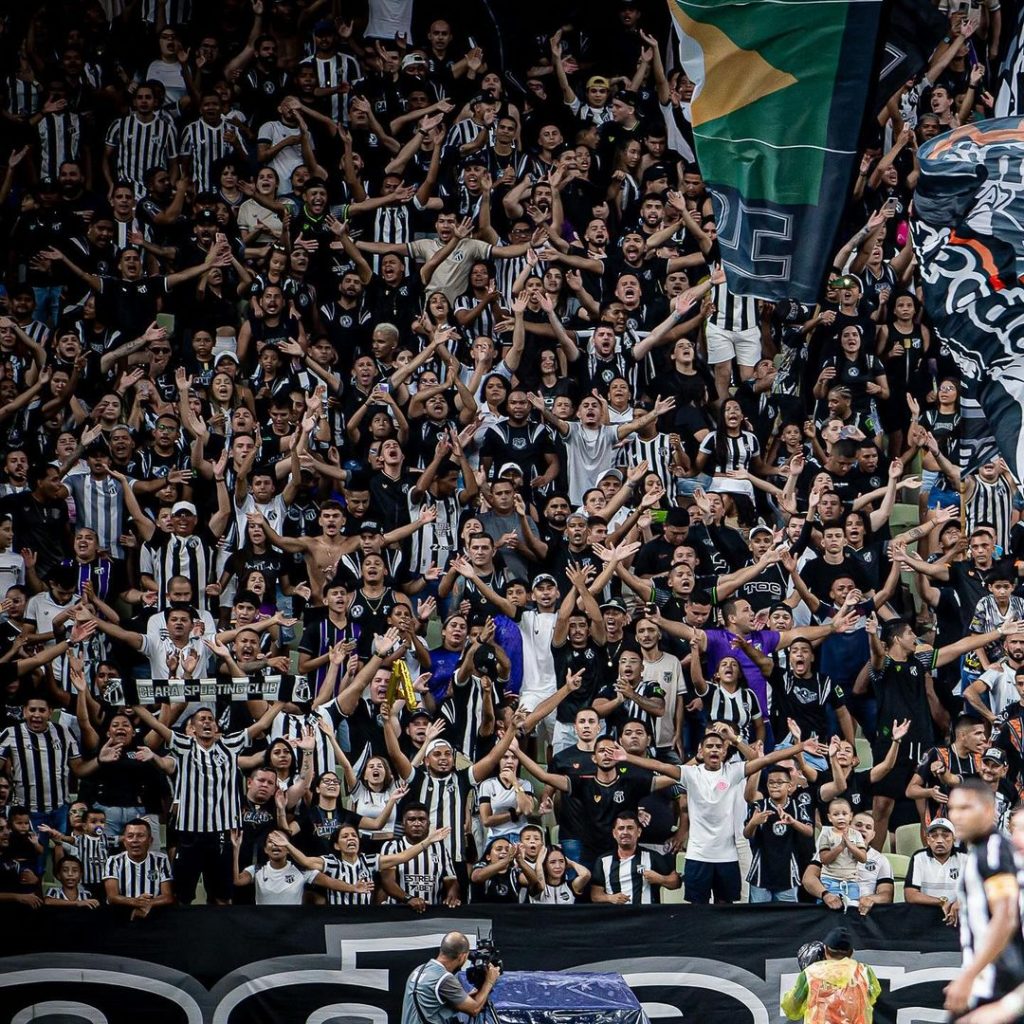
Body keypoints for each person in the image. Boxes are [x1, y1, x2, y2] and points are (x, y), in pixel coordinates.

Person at [945, 778, 1024, 1016]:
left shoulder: (993, 852)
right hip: (989, 979)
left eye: (966, 808)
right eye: (952, 808)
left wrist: (968, 976)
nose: (957, 816)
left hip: (997, 982)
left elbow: (1005, 916)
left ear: (989, 810)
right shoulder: (981, 851)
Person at [781, 927, 881, 1024]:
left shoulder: (810, 974)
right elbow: (871, 997)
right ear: (851, 953)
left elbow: (791, 1007)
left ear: (825, 950)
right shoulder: (865, 972)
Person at [401, 931, 501, 1024]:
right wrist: (489, 981)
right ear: (462, 956)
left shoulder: (419, 970)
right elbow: (474, 1010)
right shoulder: (444, 978)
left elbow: (433, 1008)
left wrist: (472, 995)